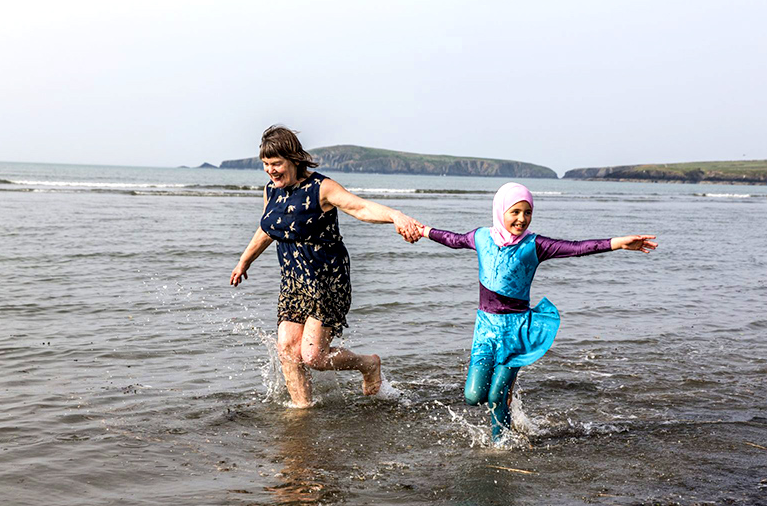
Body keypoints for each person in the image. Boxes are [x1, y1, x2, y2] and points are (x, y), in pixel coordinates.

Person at [418, 182, 657, 443]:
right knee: (474, 396)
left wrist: (617, 243)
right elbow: (452, 239)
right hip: (485, 328)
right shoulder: (481, 237)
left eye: (527, 212)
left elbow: (576, 247)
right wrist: (422, 230)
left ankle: (501, 444)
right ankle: (507, 396)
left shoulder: (535, 245)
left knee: (496, 396)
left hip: (517, 329)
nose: (522, 219)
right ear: (500, 210)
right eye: (515, 212)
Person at [230, 125, 421, 407]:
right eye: (265, 165)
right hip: (293, 281)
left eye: (276, 164)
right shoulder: (271, 191)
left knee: (313, 357)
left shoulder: (322, 188)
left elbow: (360, 208)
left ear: (294, 159)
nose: (270, 170)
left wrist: (395, 216)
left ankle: (368, 364)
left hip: (326, 282)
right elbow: (269, 228)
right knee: (286, 348)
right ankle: (302, 411)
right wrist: (244, 261)